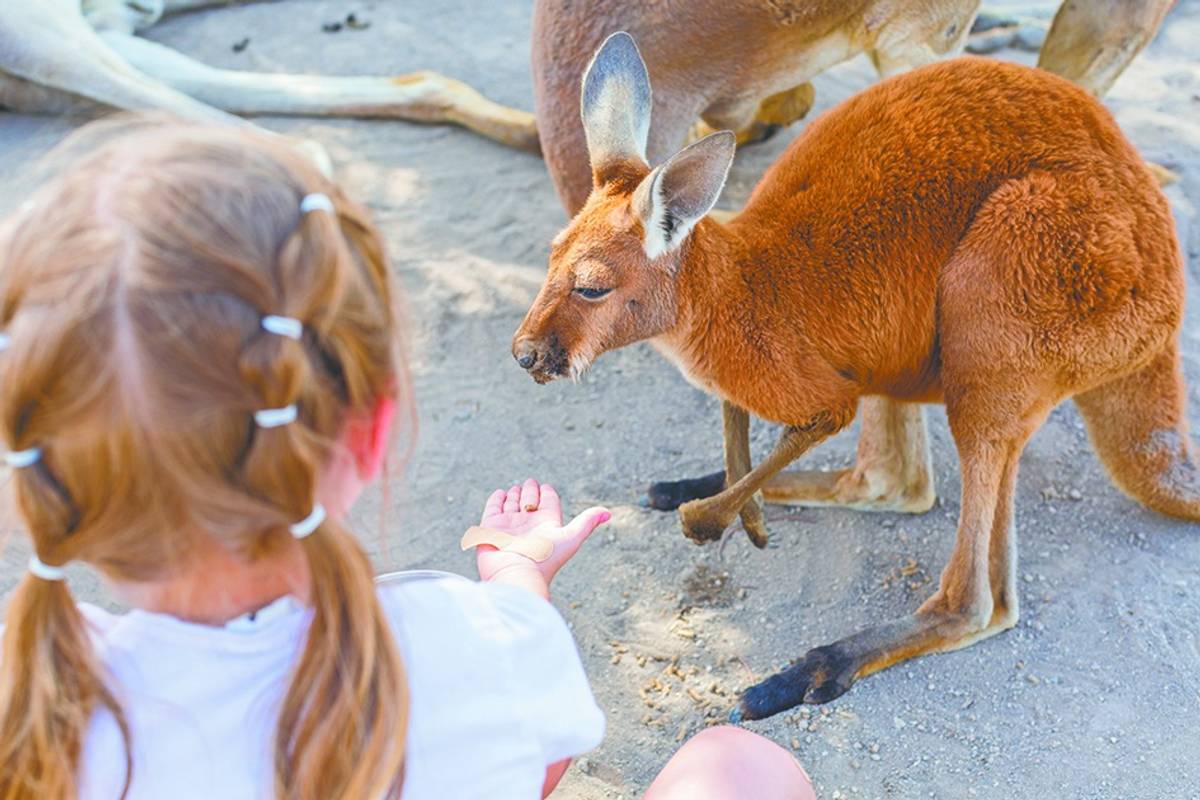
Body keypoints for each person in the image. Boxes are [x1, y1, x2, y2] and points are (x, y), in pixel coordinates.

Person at [0, 118, 814, 800]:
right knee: (738, 767)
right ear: (372, 430)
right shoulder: (458, 636)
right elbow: (539, 764)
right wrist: (518, 584)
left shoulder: (35, 696)